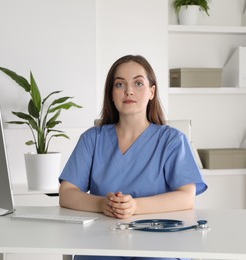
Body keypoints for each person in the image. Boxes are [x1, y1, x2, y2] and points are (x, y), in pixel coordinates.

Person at [58, 55, 207, 260]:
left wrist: (135, 207)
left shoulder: (172, 141)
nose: (129, 91)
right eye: (120, 84)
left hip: (158, 243)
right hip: (102, 243)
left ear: (152, 92)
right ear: (111, 93)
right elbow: (67, 192)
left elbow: (186, 197)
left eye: (138, 83)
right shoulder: (92, 139)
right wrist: (102, 204)